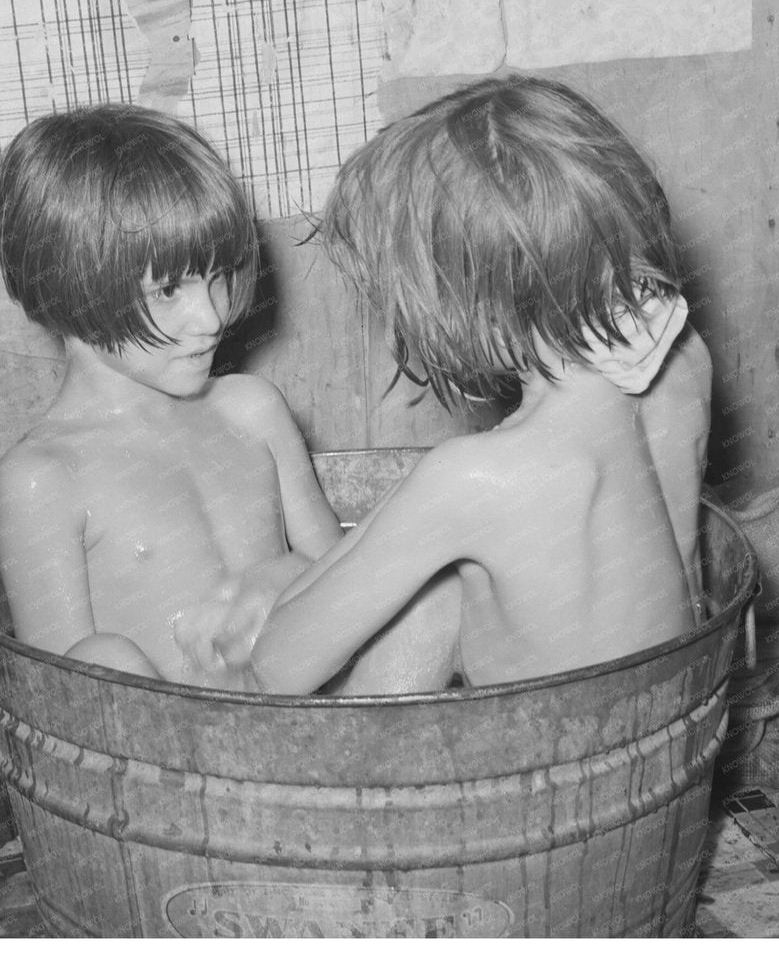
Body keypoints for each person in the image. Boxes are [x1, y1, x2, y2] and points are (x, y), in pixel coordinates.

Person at [228, 75, 712, 695]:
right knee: (437, 578)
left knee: (426, 593)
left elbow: (277, 668)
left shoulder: (475, 477)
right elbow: (686, 587)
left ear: (465, 308)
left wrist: (277, 582)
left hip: (532, 770)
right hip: (671, 727)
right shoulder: (682, 364)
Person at [0, 104, 341, 689]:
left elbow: (351, 582)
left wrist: (287, 577)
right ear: (69, 285)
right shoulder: (44, 477)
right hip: (171, 757)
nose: (211, 317)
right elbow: (63, 702)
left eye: (219, 276)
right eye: (171, 288)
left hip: (309, 716)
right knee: (102, 658)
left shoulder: (252, 410)